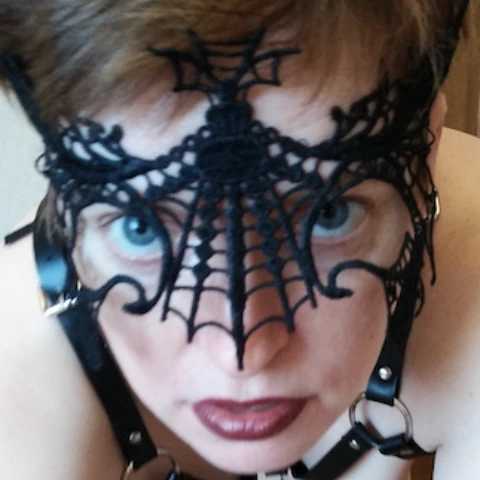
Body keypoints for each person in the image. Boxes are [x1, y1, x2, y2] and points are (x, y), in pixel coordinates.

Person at [0, 1, 479, 479]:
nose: (243, 353)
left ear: (425, 162)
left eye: (329, 214)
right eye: (139, 227)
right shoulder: (22, 386)